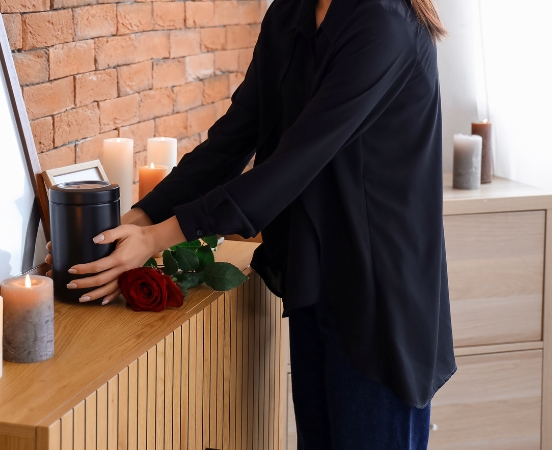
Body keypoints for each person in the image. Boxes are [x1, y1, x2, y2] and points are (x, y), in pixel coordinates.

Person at [51, 0, 455, 447]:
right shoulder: (291, 12)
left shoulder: (384, 24)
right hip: (314, 280)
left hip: (377, 297)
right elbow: (235, 135)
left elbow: (294, 162)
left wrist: (155, 239)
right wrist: (137, 220)